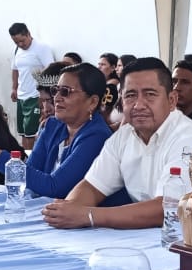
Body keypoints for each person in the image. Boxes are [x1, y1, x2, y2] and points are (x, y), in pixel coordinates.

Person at [40, 57, 192, 230]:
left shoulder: (190, 140)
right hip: (150, 238)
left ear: (171, 100)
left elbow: (167, 208)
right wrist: (68, 210)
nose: (138, 105)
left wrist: (89, 216)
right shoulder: (123, 137)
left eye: (150, 95)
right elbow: (91, 186)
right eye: (130, 96)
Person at [24, 63, 121, 201]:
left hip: (82, 213)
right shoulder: (52, 126)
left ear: (92, 102)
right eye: (55, 90)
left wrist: (3, 160)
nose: (57, 98)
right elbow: (30, 170)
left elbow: (56, 187)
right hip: (46, 208)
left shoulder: (97, 136)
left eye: (65, 91)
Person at [9, 22, 57, 149]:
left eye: (22, 41)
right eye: (16, 42)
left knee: (31, 134)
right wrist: (14, 88)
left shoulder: (42, 48)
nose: (20, 45)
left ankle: (30, 158)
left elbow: (51, 69)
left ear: (28, 34)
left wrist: (44, 97)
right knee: (23, 133)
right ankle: (25, 157)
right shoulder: (17, 51)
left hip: (35, 96)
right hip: (21, 96)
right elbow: (15, 69)